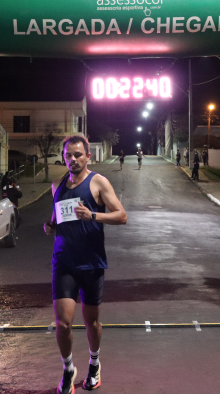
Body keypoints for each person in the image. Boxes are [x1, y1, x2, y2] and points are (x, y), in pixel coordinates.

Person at [44, 135, 127, 394]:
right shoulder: (56, 185)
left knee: (92, 322)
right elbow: (56, 217)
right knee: (63, 323)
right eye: (68, 155)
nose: (73, 159)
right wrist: (50, 225)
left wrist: (92, 215)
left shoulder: (98, 182)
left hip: (91, 262)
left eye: (78, 155)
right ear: (64, 157)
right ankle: (68, 369)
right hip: (63, 262)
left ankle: (94, 363)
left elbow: (121, 216)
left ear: (88, 156)